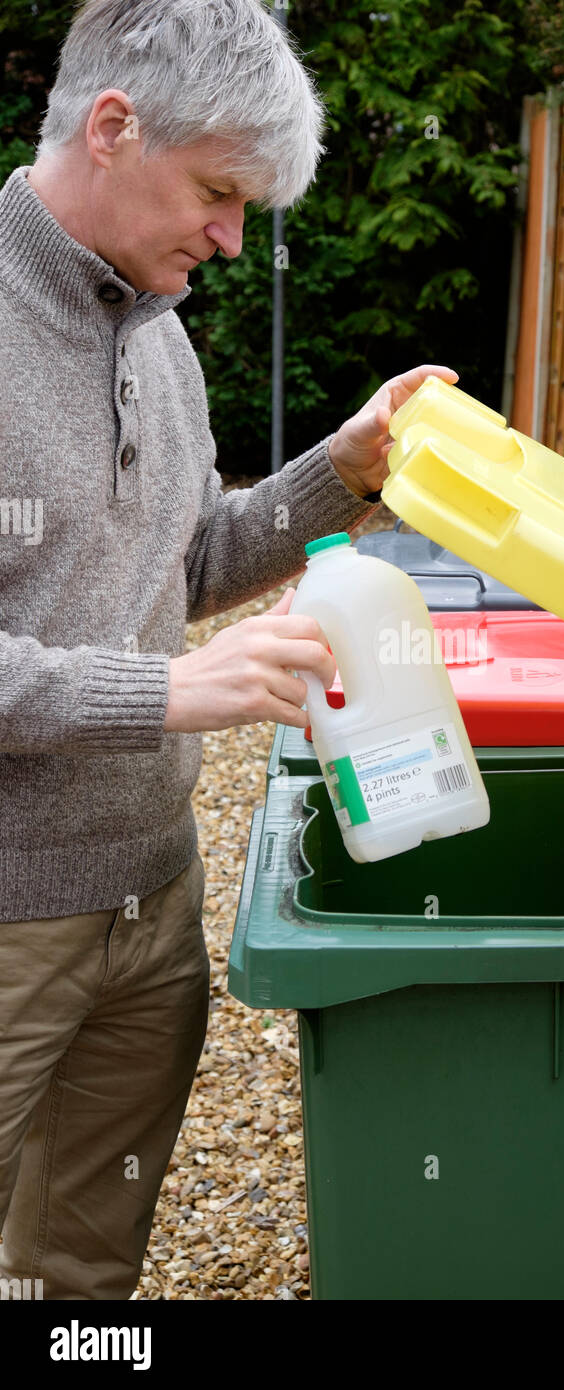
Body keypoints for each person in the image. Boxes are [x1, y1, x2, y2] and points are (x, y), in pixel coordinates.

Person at [0, 0, 457, 1299]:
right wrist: (168, 689)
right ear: (111, 126)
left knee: (81, 1275)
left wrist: (341, 472)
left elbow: (190, 561)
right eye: (216, 192)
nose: (229, 237)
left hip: (153, 910)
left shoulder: (163, 326)